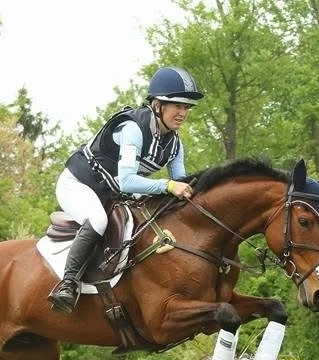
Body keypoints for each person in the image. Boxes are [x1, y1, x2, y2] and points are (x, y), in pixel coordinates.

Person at [48, 66, 204, 313]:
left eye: (186, 107)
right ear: (157, 105)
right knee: (98, 220)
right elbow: (128, 182)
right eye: (177, 105)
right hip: (78, 183)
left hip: (112, 193)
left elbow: (180, 184)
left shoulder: (174, 144)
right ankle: (67, 283)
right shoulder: (133, 128)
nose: (183, 113)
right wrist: (169, 186)